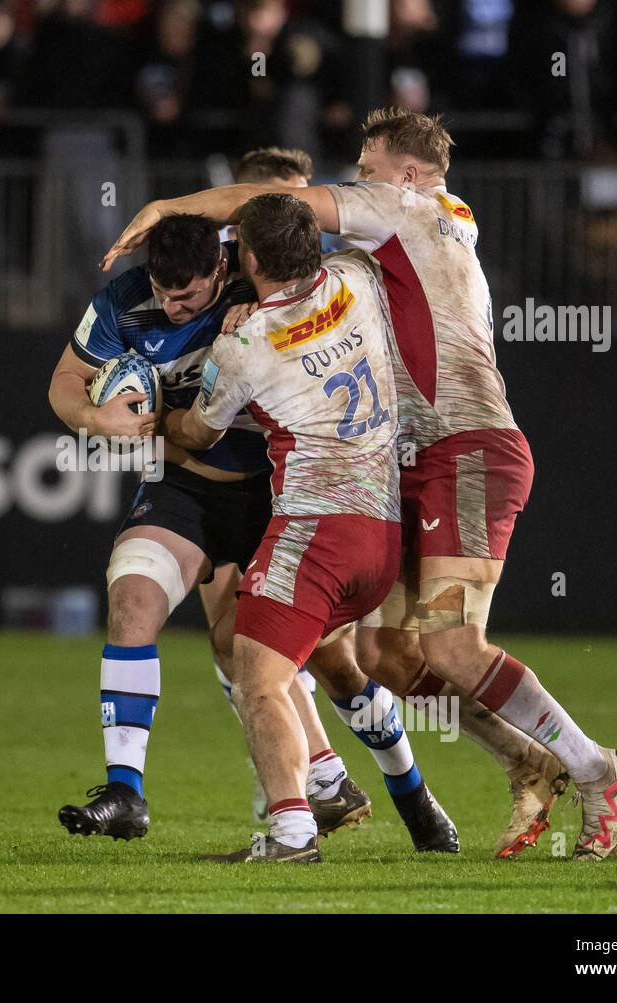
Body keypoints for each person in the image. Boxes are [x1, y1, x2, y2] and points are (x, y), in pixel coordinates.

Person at [105, 108, 617, 861]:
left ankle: (593, 767)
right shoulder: (397, 251)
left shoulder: (404, 210)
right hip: (416, 464)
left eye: (366, 166)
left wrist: (168, 207)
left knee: (452, 648)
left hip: (465, 453)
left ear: (412, 175)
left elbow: (272, 208)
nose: (354, 181)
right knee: (391, 655)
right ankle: (524, 758)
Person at [49, 214, 374, 842]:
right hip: (183, 490)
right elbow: (64, 383)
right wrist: (94, 418)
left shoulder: (266, 290)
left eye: (188, 296)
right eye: (164, 293)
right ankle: (125, 791)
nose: (172, 307)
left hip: (273, 495)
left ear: (224, 268)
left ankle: (381, 786)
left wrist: (253, 304)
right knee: (132, 596)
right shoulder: (124, 298)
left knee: (289, 653)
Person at [162, 194, 403, 862]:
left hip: (316, 532)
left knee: (257, 675)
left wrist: (155, 412)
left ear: (251, 258)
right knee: (277, 654)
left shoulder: (245, 342)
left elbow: (197, 431)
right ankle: (341, 781)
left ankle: (294, 832)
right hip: (383, 534)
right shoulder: (357, 278)